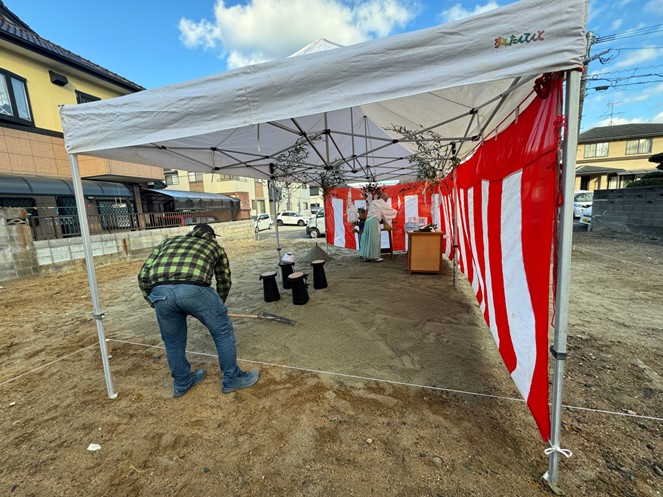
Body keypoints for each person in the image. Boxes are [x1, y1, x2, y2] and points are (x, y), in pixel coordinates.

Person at [138, 223, 259, 398]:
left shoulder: (168, 242)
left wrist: (153, 300)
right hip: (195, 289)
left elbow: (143, 274)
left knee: (172, 341)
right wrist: (218, 309)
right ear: (212, 236)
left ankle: (182, 382)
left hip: (161, 292)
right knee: (222, 331)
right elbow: (224, 280)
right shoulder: (214, 247)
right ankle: (232, 378)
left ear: (191, 232)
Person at [359, 192, 398, 262]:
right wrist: (396, 212)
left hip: (367, 221)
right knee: (375, 238)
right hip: (374, 221)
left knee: (367, 238)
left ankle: (365, 256)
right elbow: (389, 211)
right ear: (386, 199)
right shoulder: (383, 203)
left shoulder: (374, 202)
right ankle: (375, 257)